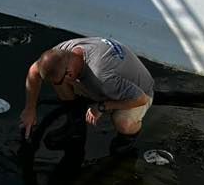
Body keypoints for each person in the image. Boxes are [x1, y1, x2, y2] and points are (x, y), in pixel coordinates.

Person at [19, 36, 154, 152]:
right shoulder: (62, 51)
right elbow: (34, 71)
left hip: (139, 92)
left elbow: (141, 98)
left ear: (69, 73)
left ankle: (126, 142)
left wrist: (102, 106)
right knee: (57, 80)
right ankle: (75, 127)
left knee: (123, 122)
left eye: (64, 78)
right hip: (108, 82)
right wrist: (30, 108)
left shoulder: (101, 77)